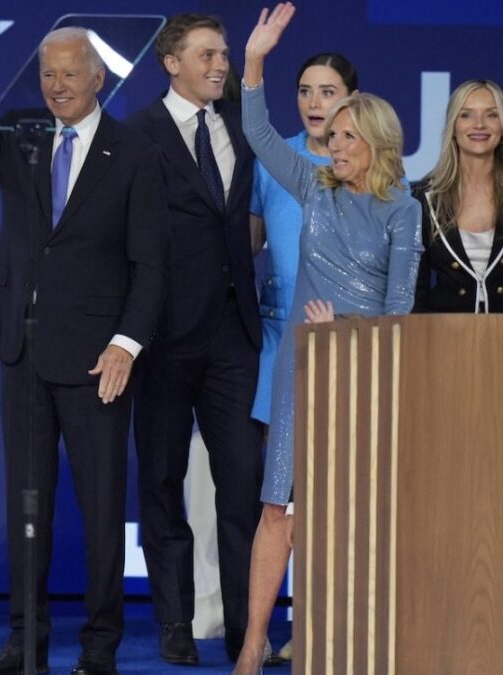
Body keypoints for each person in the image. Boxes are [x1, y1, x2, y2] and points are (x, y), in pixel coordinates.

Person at [0, 25, 168, 675]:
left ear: (98, 79)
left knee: (103, 509)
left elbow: (151, 264)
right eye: (47, 74)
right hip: (22, 351)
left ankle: (100, 647)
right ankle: (25, 643)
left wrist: (126, 344)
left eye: (68, 74)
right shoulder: (21, 136)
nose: (55, 86)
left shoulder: (133, 152)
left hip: (96, 360)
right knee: (27, 505)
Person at [234, 5, 422, 673]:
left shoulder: (404, 210)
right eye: (331, 135)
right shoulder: (312, 191)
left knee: (352, 513)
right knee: (278, 504)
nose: (333, 146)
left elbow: (399, 309)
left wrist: (339, 331)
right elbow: (256, 130)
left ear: (375, 140)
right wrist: (256, 58)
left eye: (346, 136)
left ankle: (335, 636)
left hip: (365, 373)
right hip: (302, 370)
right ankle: (255, 639)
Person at [125, 13, 263, 666]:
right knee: (161, 481)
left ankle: (245, 631)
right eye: (207, 54)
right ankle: (175, 624)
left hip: (236, 336)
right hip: (163, 338)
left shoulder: (243, 124)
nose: (221, 64)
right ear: (170, 62)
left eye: (225, 54)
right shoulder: (137, 135)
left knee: (243, 486)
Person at [246, 52, 358, 663]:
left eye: (329, 91)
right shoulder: (279, 161)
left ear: (353, 99)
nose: (315, 103)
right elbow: (250, 245)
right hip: (278, 342)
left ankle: (314, 628)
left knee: (333, 496)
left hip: (346, 350)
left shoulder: (366, 173)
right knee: (279, 492)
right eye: (306, 91)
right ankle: (258, 633)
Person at [413, 79, 503, 313]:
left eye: (491, 115)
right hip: (445, 339)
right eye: (466, 115)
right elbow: (415, 290)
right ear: (453, 126)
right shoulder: (424, 198)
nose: (479, 125)